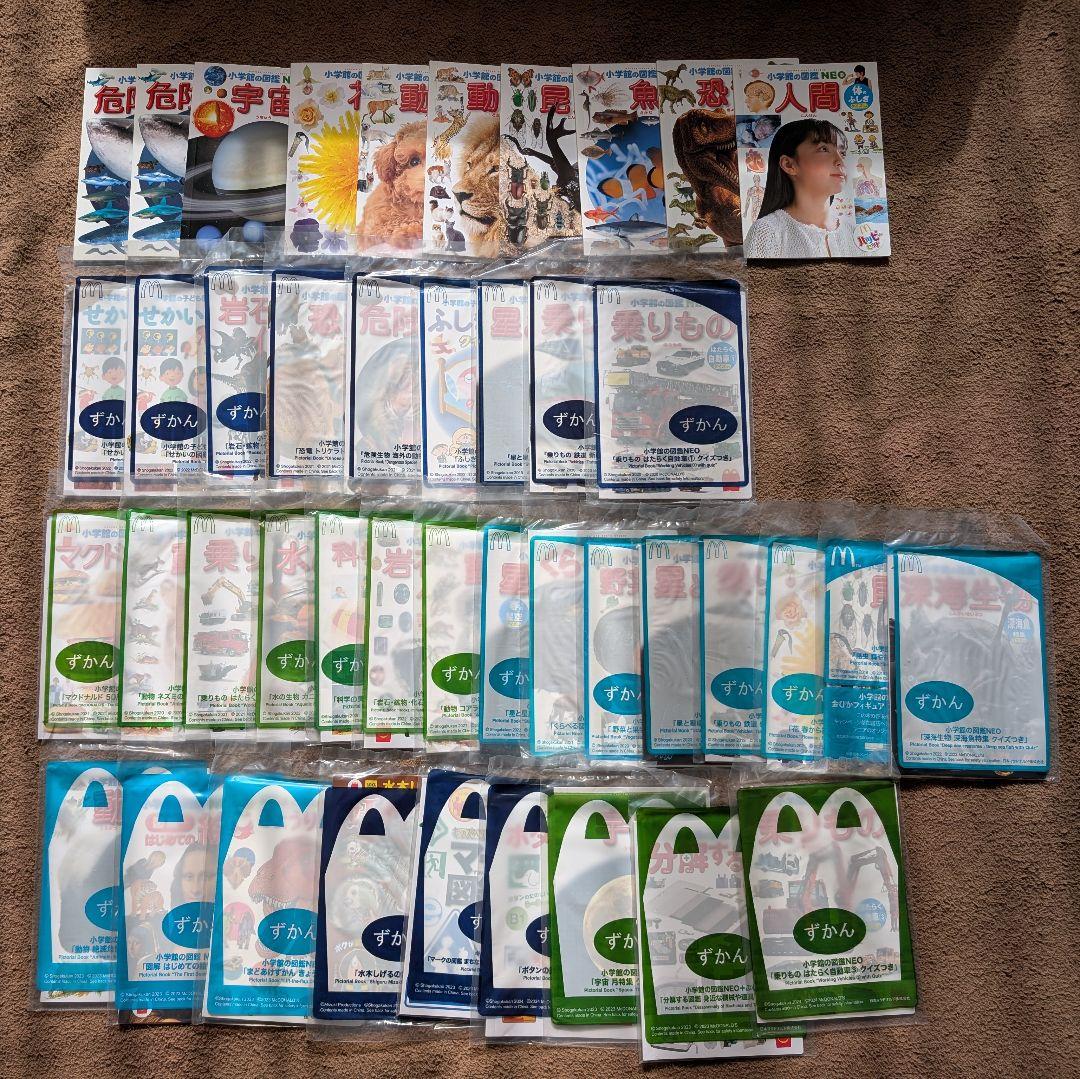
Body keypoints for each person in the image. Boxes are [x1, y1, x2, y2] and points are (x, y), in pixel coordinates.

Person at [744, 118, 858, 258]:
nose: (841, 161)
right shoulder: (766, 232)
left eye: (843, 153)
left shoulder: (853, 233)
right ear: (789, 165)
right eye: (824, 149)